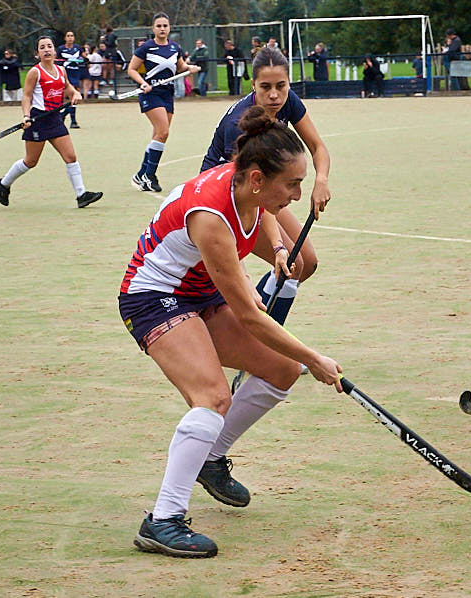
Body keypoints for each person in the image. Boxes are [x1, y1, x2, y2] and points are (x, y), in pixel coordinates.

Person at [121, 104, 343, 559]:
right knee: (213, 397)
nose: (299, 196)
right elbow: (249, 316)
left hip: (197, 292)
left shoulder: (245, 184)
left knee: (281, 371)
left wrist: (279, 248)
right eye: (293, 185)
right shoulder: (211, 217)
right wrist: (315, 358)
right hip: (153, 297)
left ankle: (208, 458)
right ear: (260, 178)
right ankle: (162, 519)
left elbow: (260, 210)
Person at [200, 46, 332, 385]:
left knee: (307, 263)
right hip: (226, 198)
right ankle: (258, 346)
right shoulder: (237, 125)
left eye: (281, 86)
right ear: (252, 85)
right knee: (293, 264)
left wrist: (320, 181)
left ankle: (257, 332)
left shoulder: (288, 102)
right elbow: (254, 193)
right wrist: (276, 247)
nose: (274, 96)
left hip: (259, 190)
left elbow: (318, 147)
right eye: (265, 88)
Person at [0, 36, 102, 210]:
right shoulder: (35, 72)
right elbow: (27, 96)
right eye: (42, 47)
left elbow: (66, 87)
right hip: (37, 119)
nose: (46, 50)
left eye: (49, 46)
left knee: (70, 157)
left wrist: (75, 94)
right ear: (37, 53)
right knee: (31, 161)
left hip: (55, 118)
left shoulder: (61, 70)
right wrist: (26, 116)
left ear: (54, 50)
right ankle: (4, 184)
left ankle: (81, 195)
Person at [126, 12, 200, 193]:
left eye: (165, 26)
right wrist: (142, 83)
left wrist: (189, 68)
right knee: (163, 131)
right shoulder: (146, 48)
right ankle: (150, 176)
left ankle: (141, 173)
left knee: (159, 135)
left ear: (169, 28)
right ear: (153, 28)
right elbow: (132, 69)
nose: (162, 29)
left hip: (167, 93)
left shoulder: (175, 48)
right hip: (150, 94)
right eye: (158, 26)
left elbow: (179, 66)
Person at [57, 31, 82, 128]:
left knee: (75, 97)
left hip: (76, 73)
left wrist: (83, 59)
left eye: (72, 36)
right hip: (66, 74)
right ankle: (73, 121)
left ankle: (63, 115)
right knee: (71, 96)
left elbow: (84, 58)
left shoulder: (77, 48)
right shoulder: (61, 49)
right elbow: (57, 61)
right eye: (68, 36)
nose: (70, 38)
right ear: (65, 38)